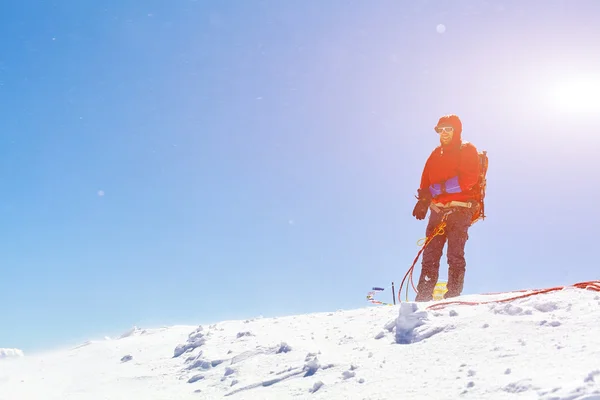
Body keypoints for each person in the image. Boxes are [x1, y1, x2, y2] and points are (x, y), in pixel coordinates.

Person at [411, 114, 481, 302]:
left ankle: (452, 297)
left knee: (455, 254)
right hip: (437, 212)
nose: (444, 133)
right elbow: (425, 181)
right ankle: (424, 297)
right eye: (440, 130)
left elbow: (469, 180)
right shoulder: (435, 154)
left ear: (456, 130)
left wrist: (438, 189)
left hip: (460, 210)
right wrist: (423, 200)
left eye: (448, 129)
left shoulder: (467, 149)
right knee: (430, 255)